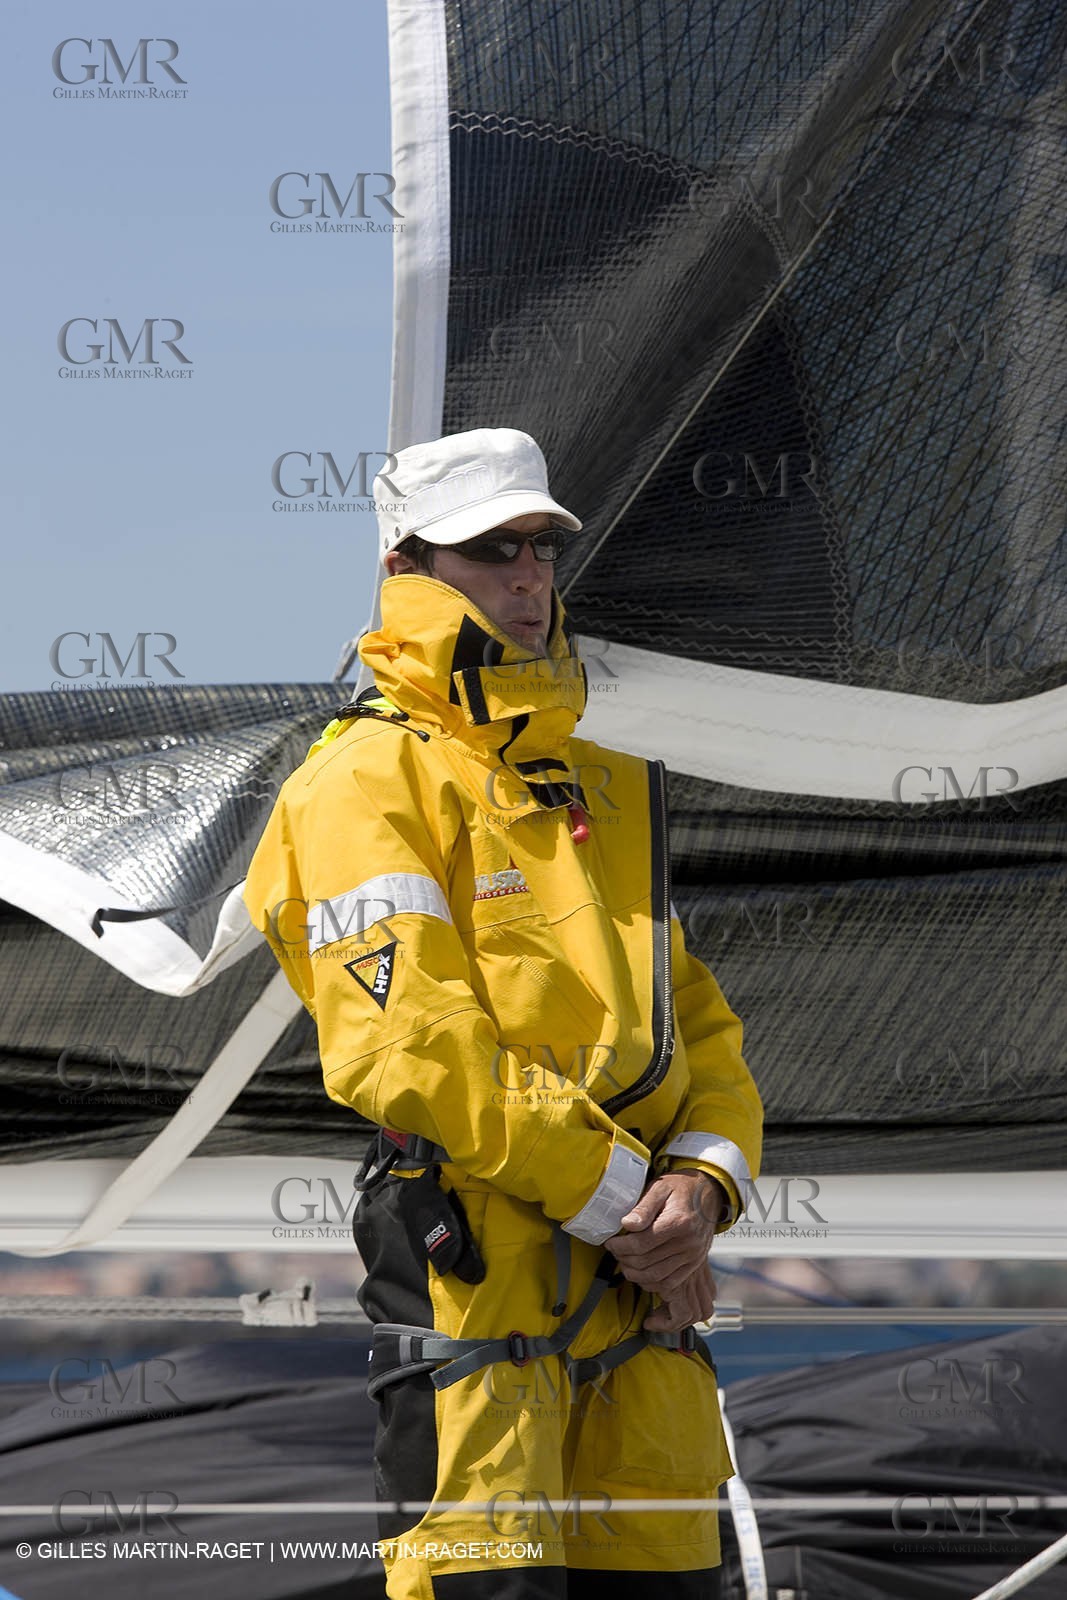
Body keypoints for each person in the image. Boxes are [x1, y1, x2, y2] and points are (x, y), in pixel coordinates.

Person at [243, 427, 763, 1599]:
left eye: (538, 547)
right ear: (406, 570)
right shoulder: (360, 783)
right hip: (473, 1266)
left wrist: (704, 1186)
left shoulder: (611, 785)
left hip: (639, 1297)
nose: (529, 577)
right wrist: (642, 1208)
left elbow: (701, 1035)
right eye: (491, 551)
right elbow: (409, 1049)